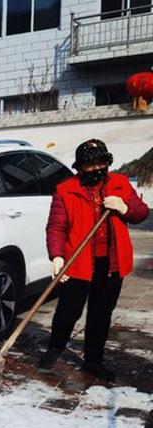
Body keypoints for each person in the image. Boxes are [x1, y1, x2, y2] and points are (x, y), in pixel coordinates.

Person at [39, 139, 149, 381]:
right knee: (68, 311)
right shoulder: (65, 189)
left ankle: (93, 360)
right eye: (91, 165)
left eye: (101, 163)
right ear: (80, 167)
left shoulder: (120, 184)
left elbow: (141, 213)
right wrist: (57, 255)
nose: (97, 169)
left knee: (101, 314)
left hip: (111, 263)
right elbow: (56, 227)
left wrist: (125, 207)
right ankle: (55, 347)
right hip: (77, 263)